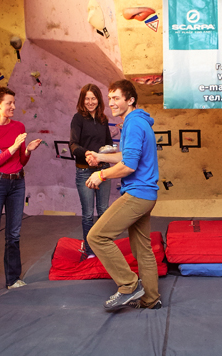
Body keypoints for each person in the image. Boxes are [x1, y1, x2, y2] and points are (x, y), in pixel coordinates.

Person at [85, 80, 160, 311]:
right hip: (147, 194)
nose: (112, 104)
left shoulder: (134, 124)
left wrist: (102, 175)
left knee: (96, 236)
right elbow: (126, 156)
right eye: (110, 99)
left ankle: (129, 285)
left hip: (137, 194)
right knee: (142, 249)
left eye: (116, 98)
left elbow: (129, 166)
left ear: (130, 100)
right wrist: (101, 157)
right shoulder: (135, 121)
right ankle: (151, 299)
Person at [0, 87, 42, 301]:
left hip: (17, 183)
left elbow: (20, 161)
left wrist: (27, 151)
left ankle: (13, 279)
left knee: (14, 234)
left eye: (14, 102)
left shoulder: (19, 126)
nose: (13, 106)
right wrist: (14, 148)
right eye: (9, 103)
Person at [69, 84, 114, 257]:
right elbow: (73, 144)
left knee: (103, 211)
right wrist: (87, 154)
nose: (90, 102)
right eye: (87, 98)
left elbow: (108, 143)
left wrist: (105, 154)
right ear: (82, 100)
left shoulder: (103, 119)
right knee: (88, 214)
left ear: (98, 100)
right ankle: (90, 251)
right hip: (84, 172)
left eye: (93, 98)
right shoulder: (78, 118)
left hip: (103, 171)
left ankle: (104, 249)